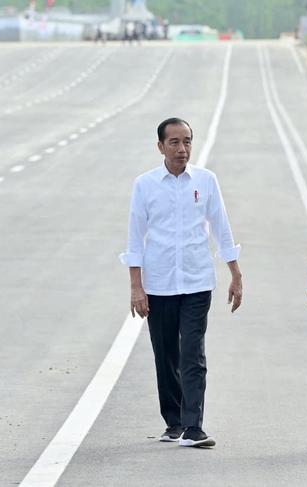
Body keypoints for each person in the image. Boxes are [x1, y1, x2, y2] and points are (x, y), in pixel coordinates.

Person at [120, 117, 243, 448]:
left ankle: (193, 427)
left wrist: (235, 273)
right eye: (174, 142)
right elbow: (135, 237)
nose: (182, 148)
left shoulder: (205, 181)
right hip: (158, 285)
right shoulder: (145, 185)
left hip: (197, 281)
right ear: (160, 147)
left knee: (192, 354)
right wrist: (136, 286)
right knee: (166, 355)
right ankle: (173, 421)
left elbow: (221, 227)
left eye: (187, 141)